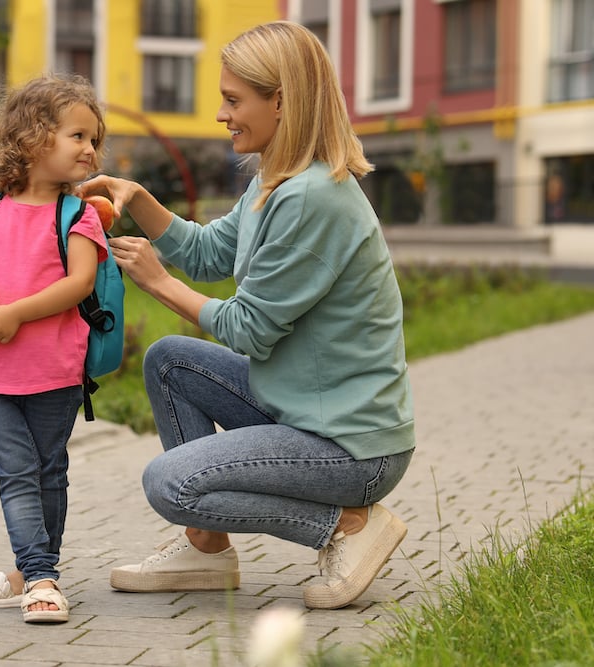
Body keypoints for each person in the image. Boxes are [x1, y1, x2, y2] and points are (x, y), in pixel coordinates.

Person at [78, 21, 415, 610]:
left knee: (170, 483)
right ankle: (206, 550)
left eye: (234, 100)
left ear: (281, 100)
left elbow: (248, 329)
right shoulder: (272, 183)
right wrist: (142, 200)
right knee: (169, 362)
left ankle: (348, 526)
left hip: (352, 447)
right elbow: (211, 255)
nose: (221, 114)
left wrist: (158, 281)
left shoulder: (314, 197)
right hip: (305, 411)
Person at [0, 73, 109, 623]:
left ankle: (30, 571)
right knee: (17, 474)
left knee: (48, 472)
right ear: (34, 137)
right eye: (78, 136)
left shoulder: (77, 215)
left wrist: (16, 312)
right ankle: (40, 576)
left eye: (94, 139)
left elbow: (80, 284)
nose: (90, 149)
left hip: (54, 371)